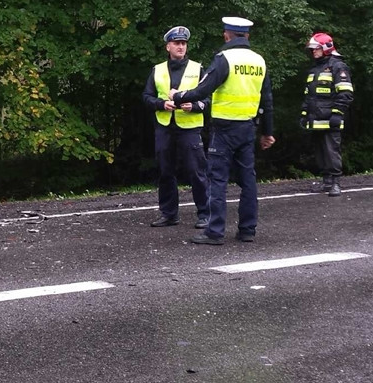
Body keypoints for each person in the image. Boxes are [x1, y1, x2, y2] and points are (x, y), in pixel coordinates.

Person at [169, 16, 275, 245]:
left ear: (227, 35)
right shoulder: (259, 61)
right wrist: (268, 132)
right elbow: (267, 99)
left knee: (218, 179)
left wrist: (178, 96)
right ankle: (247, 230)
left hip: (224, 128)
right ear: (247, 35)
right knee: (248, 180)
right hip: (248, 127)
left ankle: (215, 231)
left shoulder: (224, 58)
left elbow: (202, 89)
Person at [141, 26, 210, 229]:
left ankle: (205, 214)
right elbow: (146, 96)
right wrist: (161, 104)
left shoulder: (197, 68)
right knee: (165, 171)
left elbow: (208, 98)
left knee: (196, 171)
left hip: (190, 127)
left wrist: (194, 106)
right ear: (168, 47)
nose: (181, 46)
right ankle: (169, 214)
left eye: (183, 43)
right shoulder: (158, 70)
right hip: (165, 126)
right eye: (176, 43)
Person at [300, 31, 353, 197]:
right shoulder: (315, 69)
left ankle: (336, 183)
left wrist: (337, 114)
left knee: (331, 151)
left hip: (331, 119)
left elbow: (345, 93)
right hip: (315, 119)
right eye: (312, 49)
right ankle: (327, 181)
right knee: (320, 151)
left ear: (326, 48)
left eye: (316, 48)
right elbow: (309, 95)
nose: (313, 51)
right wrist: (304, 114)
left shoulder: (338, 67)